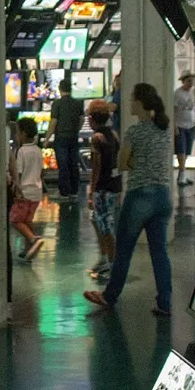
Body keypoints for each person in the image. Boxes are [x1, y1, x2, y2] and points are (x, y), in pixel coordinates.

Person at [84, 83, 174, 315]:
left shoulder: (134, 132)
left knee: (123, 250)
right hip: (163, 196)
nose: (129, 103)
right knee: (159, 252)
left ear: (141, 103)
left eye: (132, 99)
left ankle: (109, 295)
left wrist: (137, 164)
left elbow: (122, 163)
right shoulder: (165, 129)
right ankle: (165, 303)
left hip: (139, 196)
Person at [86, 104, 120, 280]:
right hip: (114, 185)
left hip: (102, 187)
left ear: (92, 118)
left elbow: (96, 167)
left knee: (105, 224)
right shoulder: (114, 135)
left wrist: (91, 191)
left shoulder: (96, 139)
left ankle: (111, 264)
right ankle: (105, 259)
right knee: (98, 220)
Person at [8, 116, 45, 259]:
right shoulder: (37, 150)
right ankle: (29, 249)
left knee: (16, 220)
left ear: (23, 134)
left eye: (17, 133)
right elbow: (42, 172)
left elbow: (19, 173)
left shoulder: (21, 151)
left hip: (25, 191)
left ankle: (33, 239)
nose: (16, 136)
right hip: (36, 191)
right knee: (27, 220)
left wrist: (16, 189)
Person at [50, 77, 85, 203]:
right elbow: (82, 119)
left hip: (61, 138)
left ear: (60, 89)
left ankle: (64, 192)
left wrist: (47, 138)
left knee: (63, 165)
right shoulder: (77, 103)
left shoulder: (57, 104)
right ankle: (74, 191)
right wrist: (77, 129)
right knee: (73, 164)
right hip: (73, 137)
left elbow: (54, 121)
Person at [173, 72, 195, 186]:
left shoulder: (193, 93)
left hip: (191, 125)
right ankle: (182, 174)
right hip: (180, 125)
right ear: (183, 81)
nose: (191, 83)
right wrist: (174, 126)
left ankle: (182, 174)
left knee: (187, 150)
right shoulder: (178, 94)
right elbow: (173, 110)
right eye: (189, 81)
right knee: (181, 150)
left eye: (192, 81)